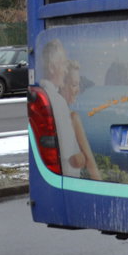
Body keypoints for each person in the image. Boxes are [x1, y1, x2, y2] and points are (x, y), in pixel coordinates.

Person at [40, 37, 101, 180]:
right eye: (73, 84)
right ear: (52, 67)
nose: (65, 68)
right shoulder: (60, 105)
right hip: (67, 181)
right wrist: (82, 158)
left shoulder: (45, 95)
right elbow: (72, 160)